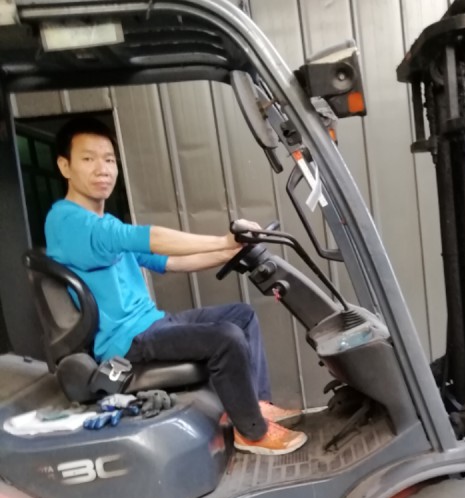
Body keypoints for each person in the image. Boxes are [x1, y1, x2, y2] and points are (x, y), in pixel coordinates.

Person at [45, 116, 307, 456]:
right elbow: (146, 238)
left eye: (109, 159)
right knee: (225, 338)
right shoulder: (66, 221)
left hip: (152, 324)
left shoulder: (103, 221)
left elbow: (170, 261)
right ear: (65, 166)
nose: (103, 169)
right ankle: (252, 433)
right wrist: (222, 240)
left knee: (242, 316)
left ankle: (254, 407)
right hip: (126, 343)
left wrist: (231, 250)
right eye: (88, 158)